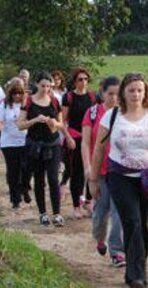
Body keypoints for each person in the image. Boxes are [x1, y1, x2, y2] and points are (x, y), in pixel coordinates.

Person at [88, 72, 148, 288]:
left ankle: (135, 266)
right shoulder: (112, 116)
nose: (136, 94)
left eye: (140, 90)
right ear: (123, 92)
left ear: (145, 92)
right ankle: (138, 275)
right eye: (131, 90)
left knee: (142, 223)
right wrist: (93, 179)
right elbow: (99, 148)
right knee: (132, 220)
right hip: (120, 177)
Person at [81, 76, 125, 267]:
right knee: (101, 211)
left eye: (117, 94)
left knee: (118, 211)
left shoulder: (125, 114)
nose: (114, 98)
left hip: (119, 171)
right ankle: (100, 238)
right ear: (102, 93)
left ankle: (117, 251)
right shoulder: (92, 113)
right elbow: (85, 142)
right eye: (110, 94)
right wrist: (88, 167)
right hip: (99, 171)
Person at [18, 71, 66, 226]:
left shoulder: (54, 101)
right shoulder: (28, 101)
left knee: (53, 179)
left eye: (48, 86)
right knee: (39, 180)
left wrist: (54, 123)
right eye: (43, 86)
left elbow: (61, 124)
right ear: (37, 85)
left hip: (53, 144)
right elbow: (20, 125)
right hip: (35, 145)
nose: (45, 89)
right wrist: (35, 120)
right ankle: (43, 213)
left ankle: (57, 214)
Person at [61, 67, 98, 219]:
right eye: (80, 79)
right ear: (75, 81)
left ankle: (88, 201)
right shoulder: (68, 97)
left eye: (85, 79)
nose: (83, 82)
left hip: (90, 138)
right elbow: (62, 120)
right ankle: (76, 206)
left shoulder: (93, 97)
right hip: (75, 137)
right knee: (76, 173)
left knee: (91, 171)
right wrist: (68, 137)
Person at [0, 79, 30, 208]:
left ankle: (24, 188)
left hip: (25, 141)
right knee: (13, 171)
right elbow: (1, 121)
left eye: (19, 93)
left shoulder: (26, 104)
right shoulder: (4, 105)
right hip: (9, 143)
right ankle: (15, 199)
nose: (17, 96)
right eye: (14, 93)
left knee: (26, 169)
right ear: (10, 94)